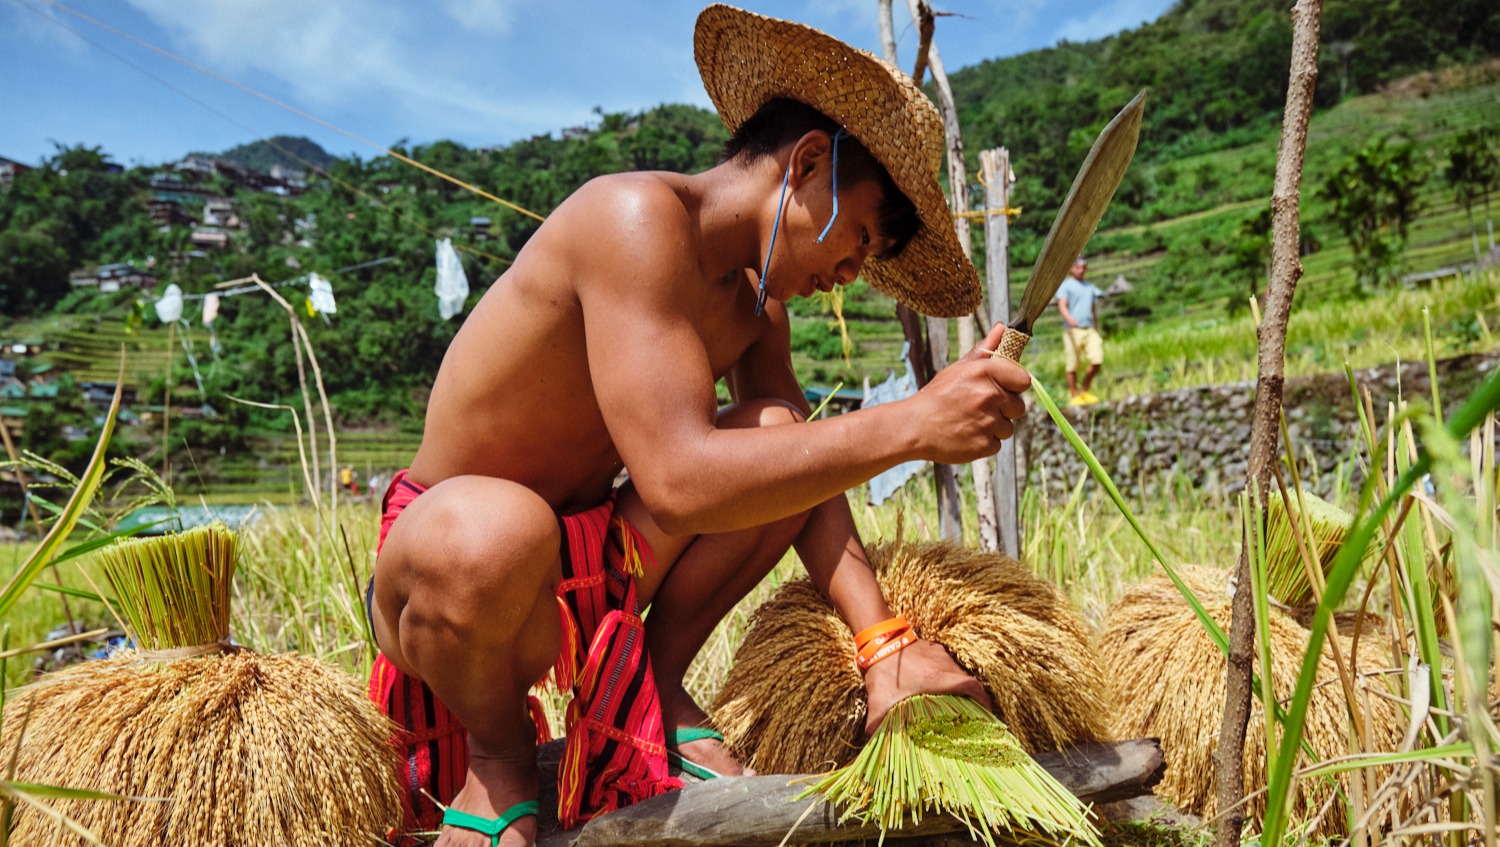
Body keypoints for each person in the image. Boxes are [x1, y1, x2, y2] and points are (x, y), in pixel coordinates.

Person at [366, 6, 1031, 846]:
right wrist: (913, 422)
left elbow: (802, 478)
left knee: (777, 425)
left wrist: (883, 643)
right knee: (495, 527)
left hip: (596, 568)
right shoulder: (631, 217)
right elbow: (677, 481)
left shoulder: (757, 313)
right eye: (860, 236)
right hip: (456, 576)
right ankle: (499, 759)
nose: (850, 272)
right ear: (809, 163)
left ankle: (655, 677)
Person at [1055, 257, 1106, 405]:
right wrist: (1070, 319)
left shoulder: (1089, 287)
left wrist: (1095, 324)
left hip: (1089, 329)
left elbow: (1093, 308)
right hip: (1073, 330)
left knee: (1097, 359)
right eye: (1078, 267)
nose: (1081, 270)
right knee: (1073, 363)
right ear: (1072, 269)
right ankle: (1074, 395)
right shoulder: (1066, 286)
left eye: (1083, 268)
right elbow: (1062, 305)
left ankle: (1084, 390)